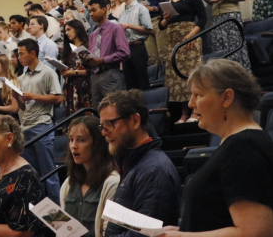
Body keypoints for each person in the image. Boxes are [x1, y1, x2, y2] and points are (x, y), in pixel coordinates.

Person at [160, 59, 273, 236]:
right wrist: (186, 229)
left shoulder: (245, 148)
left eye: (198, 95)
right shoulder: (237, 144)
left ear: (227, 98)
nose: (191, 104)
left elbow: (255, 232)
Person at [99, 90, 180, 236]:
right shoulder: (132, 162)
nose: (104, 132)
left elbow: (143, 235)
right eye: (102, 126)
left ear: (135, 121)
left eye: (109, 124)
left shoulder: (155, 170)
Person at [13, 38, 62, 203]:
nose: (18, 57)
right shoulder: (22, 77)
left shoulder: (48, 72)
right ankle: (39, 210)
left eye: (21, 53)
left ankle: (57, 209)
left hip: (42, 126)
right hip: (26, 126)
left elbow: (58, 98)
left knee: (48, 171)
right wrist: (17, 97)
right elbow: (22, 107)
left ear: (32, 53)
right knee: (32, 173)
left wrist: (34, 96)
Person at [159, 0, 206, 124]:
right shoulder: (169, 1)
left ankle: (196, 111)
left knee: (191, 74)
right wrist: (166, 18)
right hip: (173, 38)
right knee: (177, 77)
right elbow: (161, 26)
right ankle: (184, 114)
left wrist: (192, 35)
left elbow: (202, 19)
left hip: (189, 36)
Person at [60, 116, 119, 237]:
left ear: (97, 144)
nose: (73, 146)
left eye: (81, 140)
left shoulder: (112, 182)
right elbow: (64, 230)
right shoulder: (68, 183)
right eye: (71, 140)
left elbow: (109, 232)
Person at [84, 0, 129, 109]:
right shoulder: (93, 35)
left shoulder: (115, 28)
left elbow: (124, 53)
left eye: (94, 10)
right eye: (89, 11)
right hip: (95, 76)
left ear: (104, 9)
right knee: (99, 111)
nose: (91, 14)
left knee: (116, 108)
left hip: (110, 73)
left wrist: (102, 60)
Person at [117, 0, 153, 91]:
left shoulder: (141, 9)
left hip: (138, 47)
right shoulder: (122, 12)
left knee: (142, 82)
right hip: (126, 48)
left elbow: (149, 30)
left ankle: (145, 106)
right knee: (129, 83)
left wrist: (129, 26)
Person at [61, 20, 92, 117]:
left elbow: (92, 70)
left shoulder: (88, 45)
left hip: (84, 86)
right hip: (70, 85)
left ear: (77, 29)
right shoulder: (68, 49)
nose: (67, 33)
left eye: (69, 30)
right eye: (65, 31)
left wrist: (74, 72)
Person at [141, 0, 169, 66]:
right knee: (152, 56)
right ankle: (157, 78)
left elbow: (168, 5)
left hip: (159, 20)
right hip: (148, 21)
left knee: (163, 52)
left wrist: (153, 8)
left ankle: (166, 76)